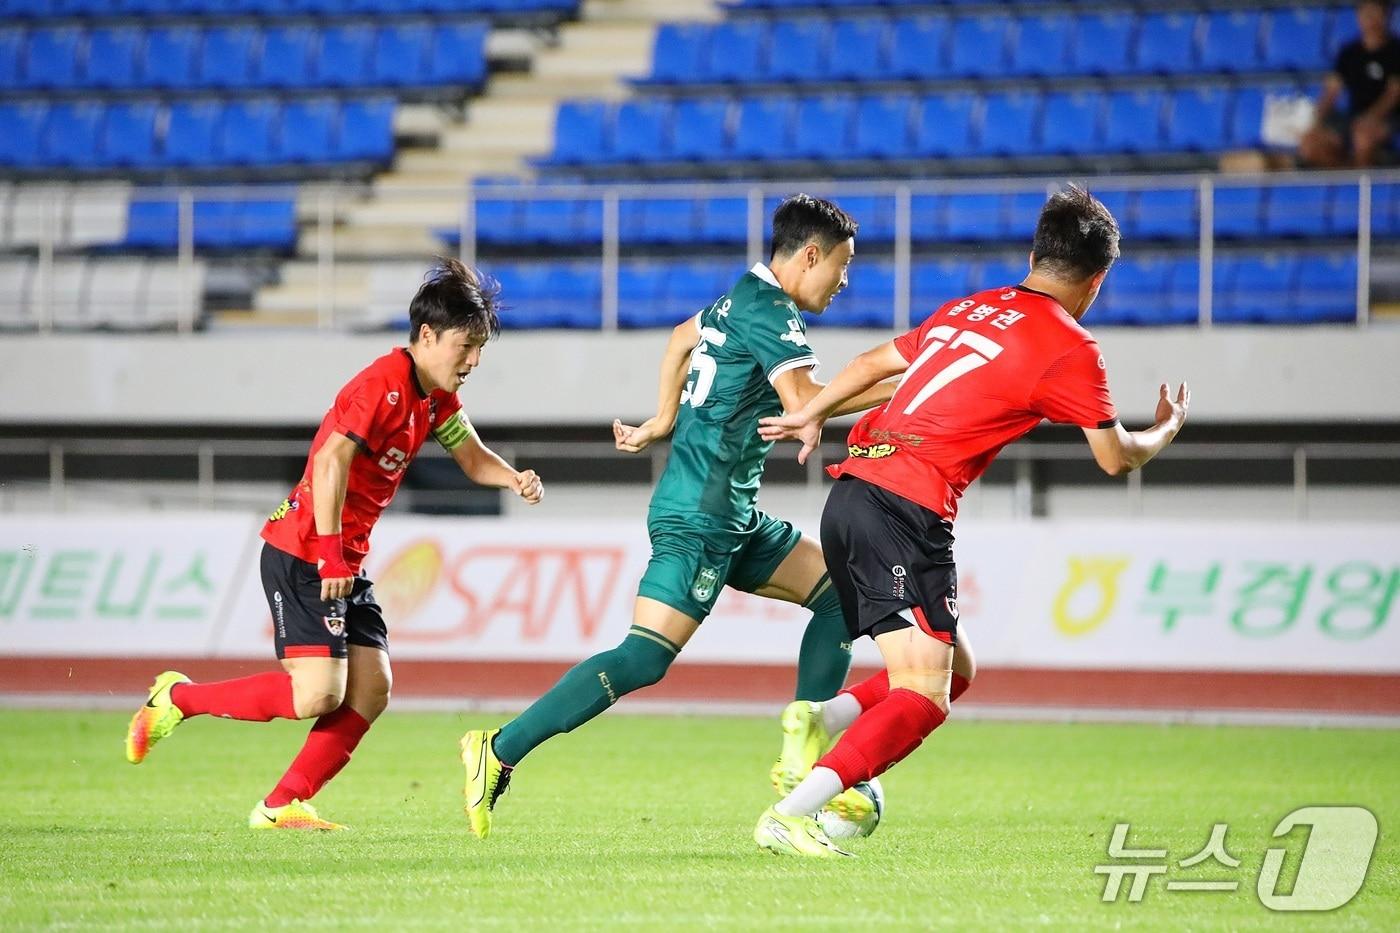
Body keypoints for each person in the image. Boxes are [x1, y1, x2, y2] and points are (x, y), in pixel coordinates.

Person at [752, 185, 1190, 857]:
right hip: (906, 508)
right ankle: (792, 811)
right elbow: (1113, 455)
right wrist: (1163, 431)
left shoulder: (972, 306)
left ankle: (819, 716)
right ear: (1096, 280)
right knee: (924, 696)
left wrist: (814, 412)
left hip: (851, 493)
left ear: (1035, 253)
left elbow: (872, 363)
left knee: (955, 668)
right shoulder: (1072, 347)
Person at [460, 194, 899, 839]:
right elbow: (805, 402)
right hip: (698, 514)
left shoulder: (739, 298)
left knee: (840, 594)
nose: (844, 280)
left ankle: (801, 752)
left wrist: (663, 419)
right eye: (841, 264)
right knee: (643, 658)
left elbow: (680, 338)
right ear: (810, 256)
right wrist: (913, 388)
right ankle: (496, 750)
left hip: (729, 512)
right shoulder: (772, 313)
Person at [124, 259, 544, 831]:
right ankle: (178, 700)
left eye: (480, 350)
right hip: (306, 550)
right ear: (426, 336)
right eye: (466, 346)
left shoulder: (434, 399)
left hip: (345, 557)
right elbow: (329, 461)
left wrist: (513, 478)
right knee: (319, 694)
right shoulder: (383, 386)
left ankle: (280, 805)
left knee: (371, 689)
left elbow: (471, 458)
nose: (473, 361)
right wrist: (329, 553)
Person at [1300, 0, 1400, 168]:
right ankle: (1341, 181)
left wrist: (1371, 117)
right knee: (1311, 142)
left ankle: (1362, 187)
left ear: (1386, 15)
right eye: (1365, 13)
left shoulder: (1396, 51)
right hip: (1353, 116)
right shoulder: (1349, 53)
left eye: (1375, 13)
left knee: (1363, 136)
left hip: (1388, 118)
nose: (1370, 19)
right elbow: (1332, 91)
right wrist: (1316, 120)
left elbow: (1394, 93)